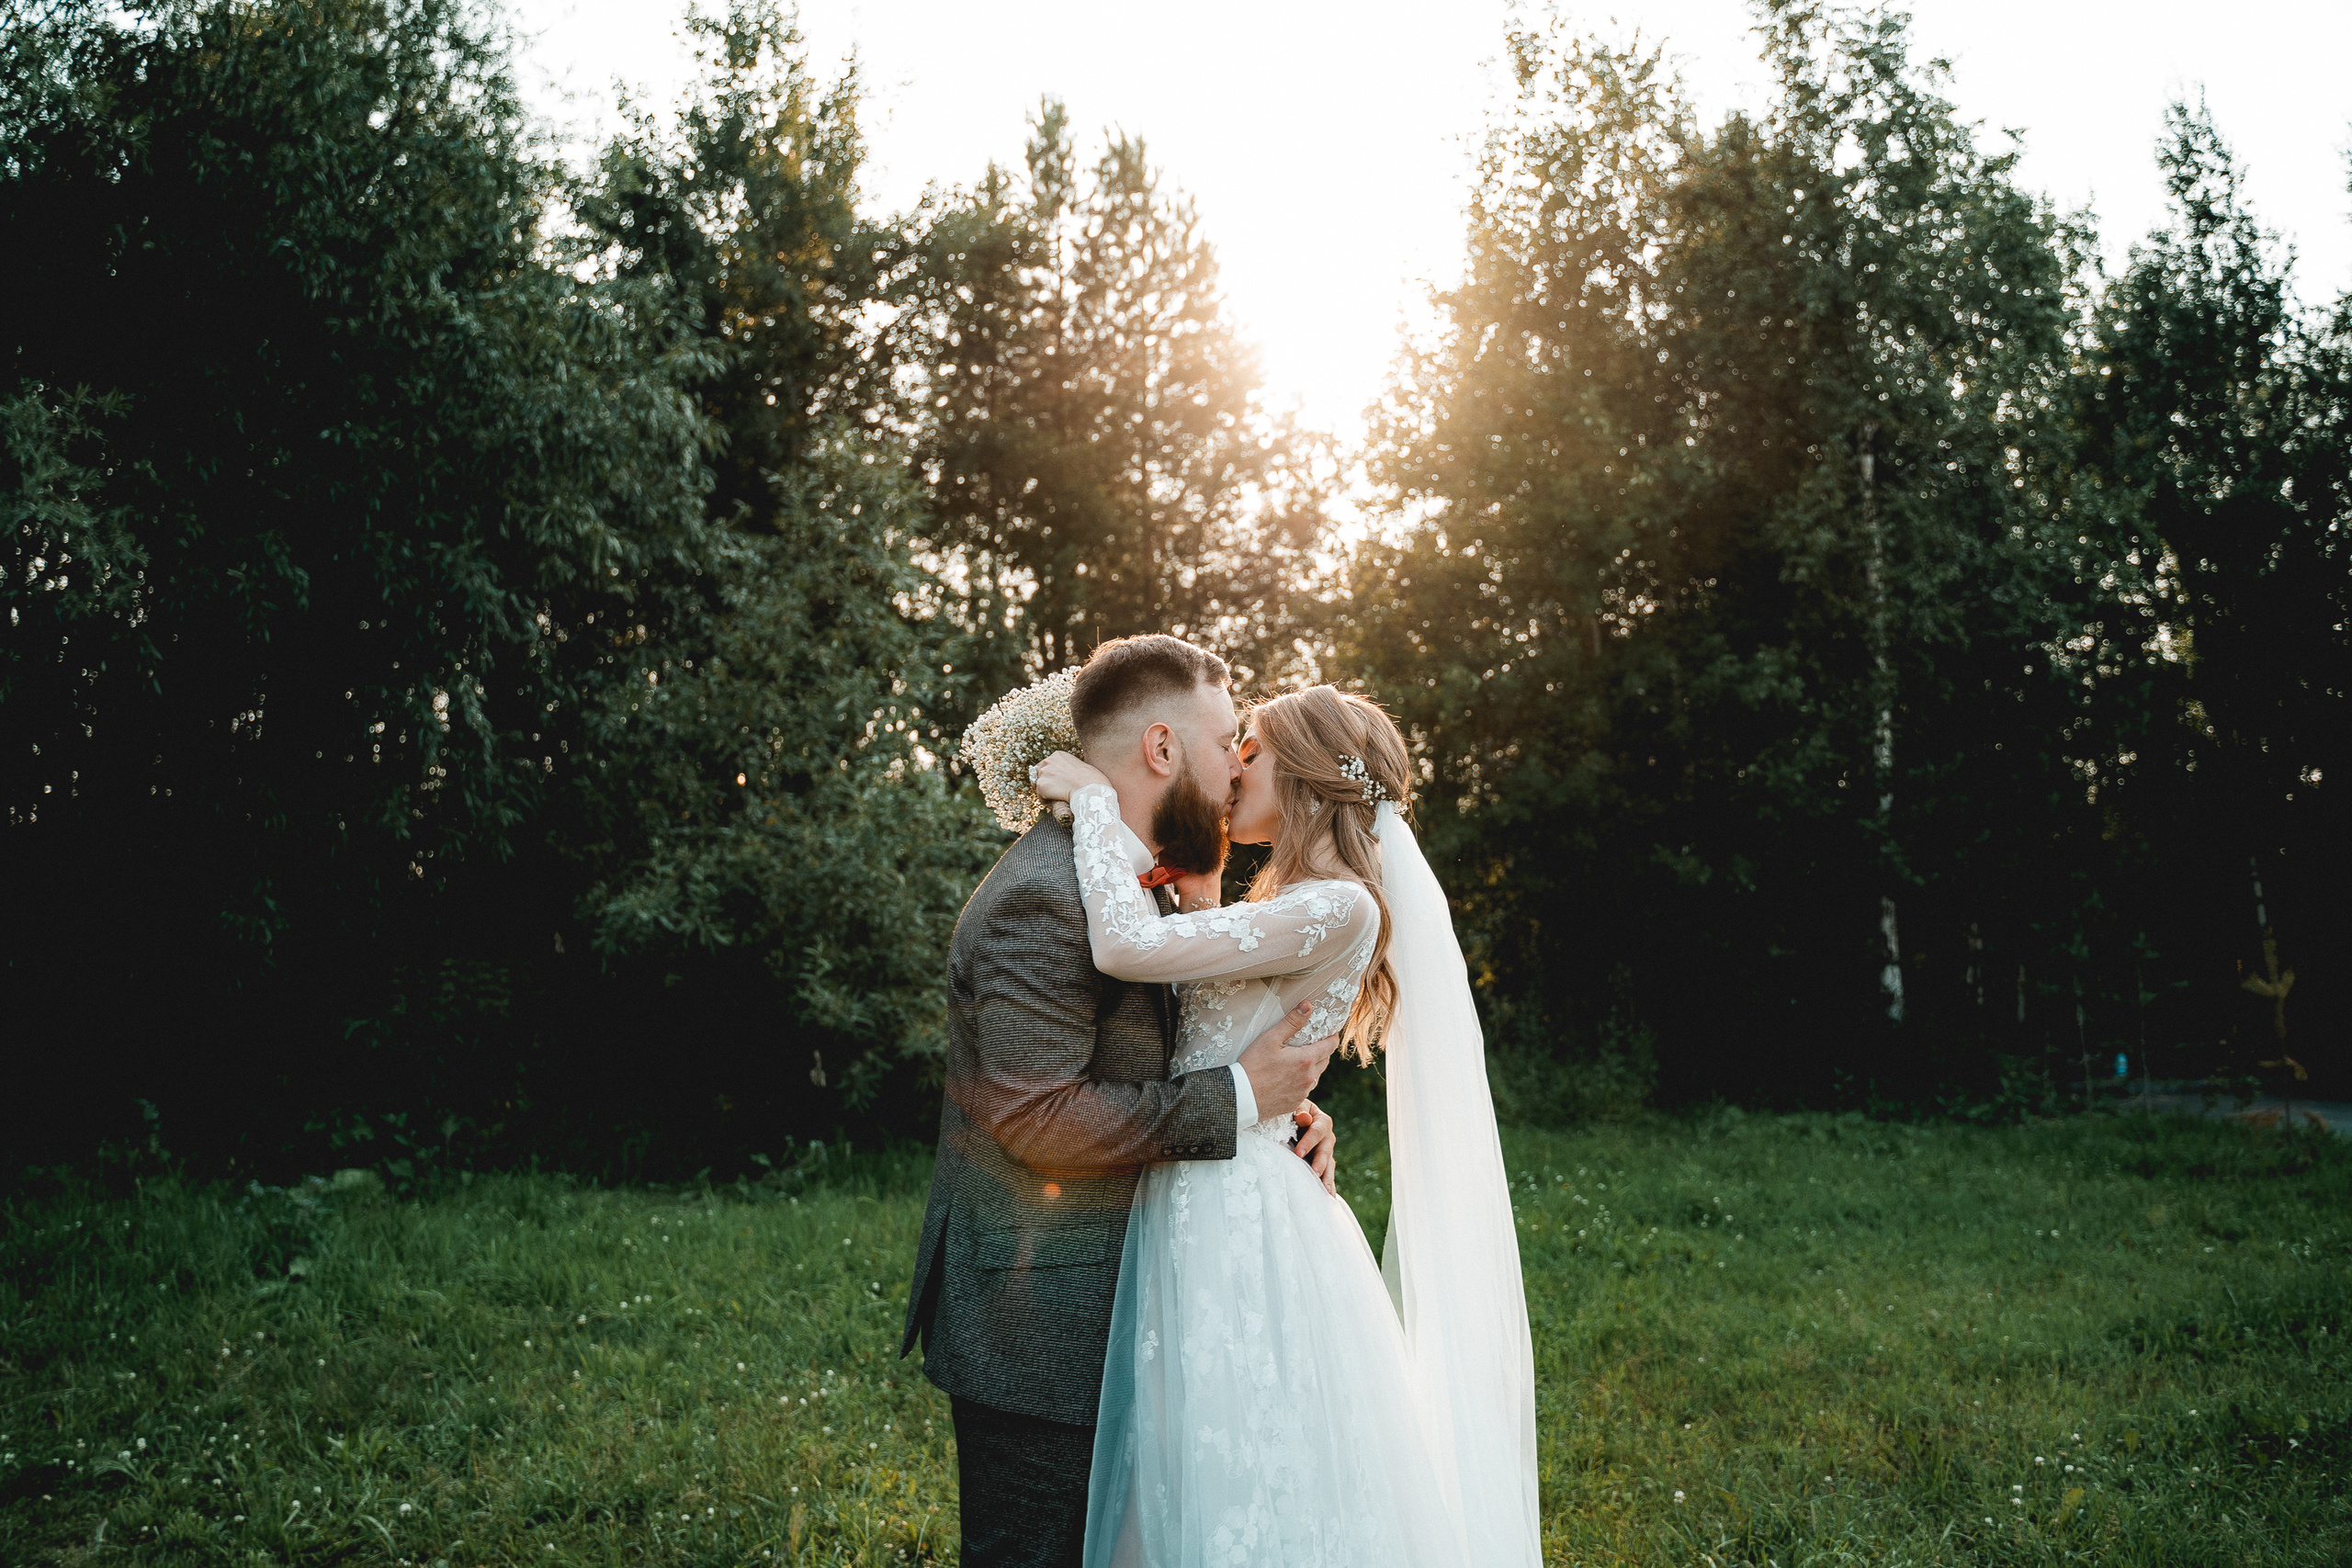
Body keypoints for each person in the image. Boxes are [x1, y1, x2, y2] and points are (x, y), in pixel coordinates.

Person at [1032, 683, 1542, 1568]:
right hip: (1205, 1176)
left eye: (1252, 750)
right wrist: (1203, 901)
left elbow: (1125, 950)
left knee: (1239, 1442)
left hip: (1235, 1204)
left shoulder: (1340, 904)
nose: (1232, 765)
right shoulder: (1297, 898)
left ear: (1306, 773)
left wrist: (1092, 802)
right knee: (1196, 1444)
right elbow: (1221, 1021)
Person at [899, 635, 1345, 1568]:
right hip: (1042, 1329)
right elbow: (1035, 1119)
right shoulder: (1046, 897)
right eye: (1228, 739)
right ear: (1160, 749)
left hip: (1137, 1311)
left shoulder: (1132, 886)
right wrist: (1231, 1099)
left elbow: (1174, 1044)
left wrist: (1276, 1118)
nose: (1238, 764)